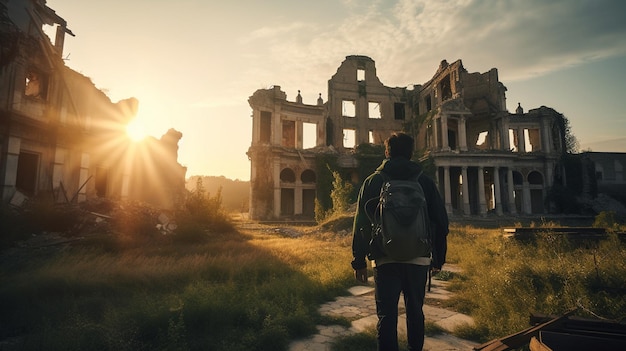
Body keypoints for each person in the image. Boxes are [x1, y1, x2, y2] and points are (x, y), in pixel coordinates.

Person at [351, 132, 449, 351]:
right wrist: (438, 258)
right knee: (415, 313)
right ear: (411, 153)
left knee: (386, 317)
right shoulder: (424, 181)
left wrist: (358, 260)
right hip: (418, 259)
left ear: (387, 152)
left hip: (385, 258)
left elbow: (361, 223)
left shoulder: (374, 181)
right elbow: (441, 222)